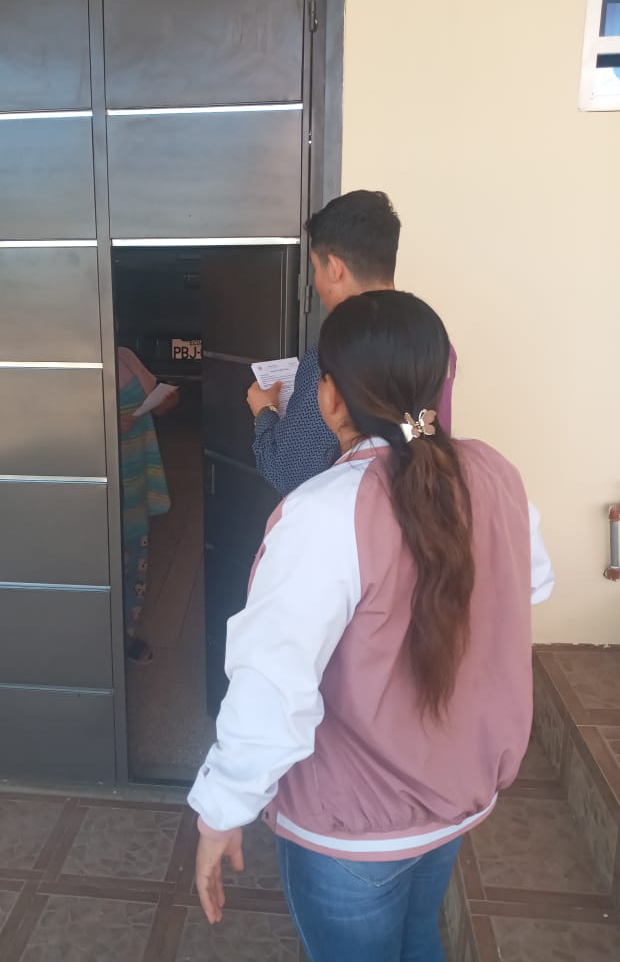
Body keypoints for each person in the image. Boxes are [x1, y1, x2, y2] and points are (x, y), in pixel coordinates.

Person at [189, 291, 553, 961]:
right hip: (456, 800)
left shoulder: (324, 512)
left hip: (353, 832)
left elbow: (273, 682)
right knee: (418, 941)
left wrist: (222, 812)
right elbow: (532, 585)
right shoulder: (496, 474)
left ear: (330, 396)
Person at [248, 190, 457, 495]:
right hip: (426, 504)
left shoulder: (338, 355)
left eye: (315, 268)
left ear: (335, 268)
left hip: (354, 510)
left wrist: (265, 411)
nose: (316, 282)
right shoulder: (433, 342)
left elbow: (287, 469)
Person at [117, 347, 178, 664]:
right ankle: (96, 646)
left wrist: (165, 401)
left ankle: (125, 638)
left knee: (133, 567)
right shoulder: (74, 367)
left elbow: (162, 399)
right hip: (100, 491)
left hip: (135, 482)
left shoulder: (125, 357)